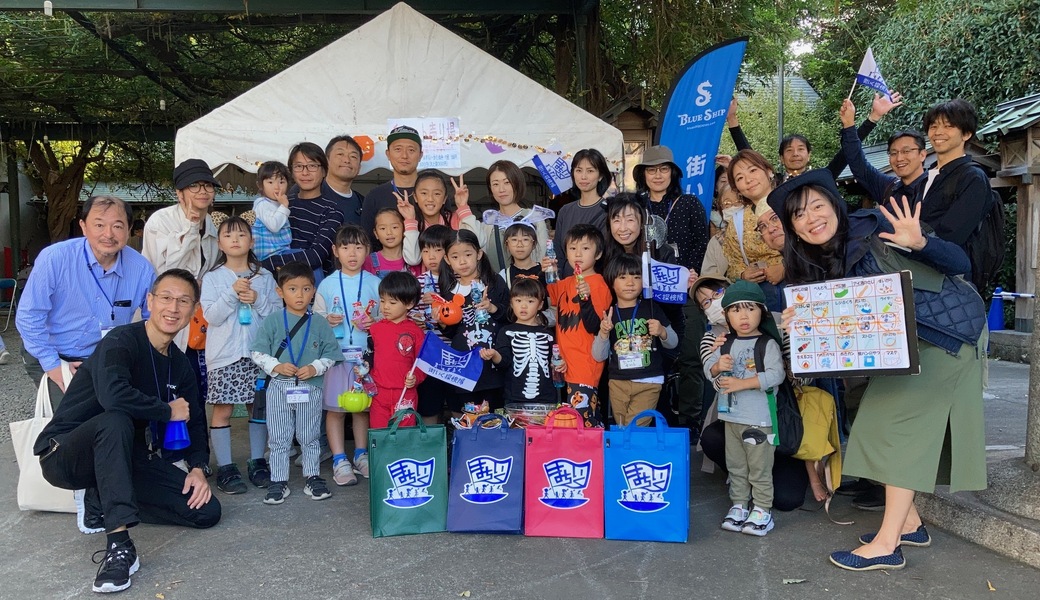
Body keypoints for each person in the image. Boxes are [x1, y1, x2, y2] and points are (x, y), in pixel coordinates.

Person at [770, 169, 986, 571]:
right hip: (904, 351)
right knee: (872, 422)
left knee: (895, 427)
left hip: (948, 336)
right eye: (799, 215)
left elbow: (959, 262)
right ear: (793, 228)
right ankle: (910, 523)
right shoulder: (818, 263)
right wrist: (802, 323)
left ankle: (887, 544)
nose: (811, 218)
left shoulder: (879, 226)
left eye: (817, 205)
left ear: (835, 205)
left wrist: (920, 242)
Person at [34, 269, 221, 594]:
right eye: (166, 298)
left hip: (121, 458)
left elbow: (194, 423)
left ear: (193, 311)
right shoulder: (120, 341)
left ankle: (100, 501)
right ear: (150, 302)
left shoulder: (180, 366)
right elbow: (113, 396)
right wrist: (166, 410)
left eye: (183, 301)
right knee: (115, 419)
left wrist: (197, 468)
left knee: (205, 511)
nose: (173, 308)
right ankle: (119, 545)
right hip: (65, 453)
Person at [18, 195, 155, 406]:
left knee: (117, 417)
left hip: (105, 357)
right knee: (69, 419)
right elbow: (29, 316)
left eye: (118, 226)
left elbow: (153, 320)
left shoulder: (142, 269)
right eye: (99, 225)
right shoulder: (55, 258)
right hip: (52, 351)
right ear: (83, 226)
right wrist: (54, 366)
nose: (108, 234)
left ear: (128, 230)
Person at [250, 262, 342, 505]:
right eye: (292, 289)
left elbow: (332, 354)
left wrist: (314, 367)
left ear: (314, 290)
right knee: (279, 436)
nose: (299, 295)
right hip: (279, 386)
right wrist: (276, 366)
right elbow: (257, 353)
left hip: (309, 385)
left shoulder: (320, 323)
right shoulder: (272, 321)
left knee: (309, 435)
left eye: (305, 289)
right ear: (280, 292)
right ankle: (278, 480)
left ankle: (312, 476)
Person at [201, 217, 281, 494]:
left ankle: (257, 461)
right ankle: (225, 467)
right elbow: (211, 315)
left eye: (241, 235)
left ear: (251, 241)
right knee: (222, 409)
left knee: (257, 408)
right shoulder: (212, 278)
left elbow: (275, 315)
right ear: (220, 243)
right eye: (228, 235)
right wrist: (232, 294)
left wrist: (257, 299)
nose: (235, 239)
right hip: (225, 355)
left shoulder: (265, 277)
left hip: (259, 356)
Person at [703, 280, 785, 537]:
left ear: (762, 312)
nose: (744, 316)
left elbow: (776, 375)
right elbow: (710, 372)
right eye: (736, 310)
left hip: (759, 419)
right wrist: (717, 367)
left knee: (759, 467)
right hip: (732, 418)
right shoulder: (725, 343)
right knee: (736, 465)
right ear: (726, 315)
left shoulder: (766, 344)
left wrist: (741, 383)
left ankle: (762, 509)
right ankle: (739, 505)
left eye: (750, 309)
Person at [314, 224, 382, 485]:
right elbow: (316, 319)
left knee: (362, 408)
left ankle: (361, 454)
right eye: (345, 247)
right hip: (337, 356)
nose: (352, 253)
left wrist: (372, 323)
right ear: (335, 251)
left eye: (358, 247)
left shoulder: (375, 283)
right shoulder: (327, 285)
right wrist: (326, 320)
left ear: (367, 250)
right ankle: (339, 458)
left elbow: (386, 316)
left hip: (365, 357)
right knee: (336, 409)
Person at [593, 253, 678, 426]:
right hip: (618, 382)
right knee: (623, 429)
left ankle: (635, 454)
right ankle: (634, 454)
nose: (630, 283)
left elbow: (673, 342)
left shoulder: (651, 308)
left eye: (636, 277)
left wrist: (662, 331)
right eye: (622, 277)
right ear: (611, 281)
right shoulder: (608, 313)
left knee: (635, 427)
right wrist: (603, 333)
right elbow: (598, 355)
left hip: (649, 380)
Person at [543, 223, 612, 424]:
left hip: (584, 364)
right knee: (566, 420)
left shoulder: (599, 285)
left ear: (598, 254)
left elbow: (595, 326)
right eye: (572, 249)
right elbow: (548, 296)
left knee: (583, 420)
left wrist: (586, 298)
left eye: (585, 248)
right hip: (561, 363)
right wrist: (547, 270)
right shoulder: (565, 282)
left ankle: (588, 455)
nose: (578, 254)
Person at [436, 229, 509, 414]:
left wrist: (493, 308)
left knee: (495, 416)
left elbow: (510, 316)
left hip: (492, 364)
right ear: (447, 259)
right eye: (455, 256)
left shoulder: (494, 282)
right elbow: (452, 332)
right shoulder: (449, 289)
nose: (462, 261)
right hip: (464, 364)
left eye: (468, 254)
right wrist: (442, 323)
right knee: (468, 416)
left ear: (479, 254)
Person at [261, 142, 345, 285]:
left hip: (311, 290)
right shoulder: (280, 205)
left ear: (324, 171)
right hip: (274, 288)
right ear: (292, 172)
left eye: (312, 166)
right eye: (299, 166)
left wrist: (265, 263)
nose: (305, 173)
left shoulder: (332, 211)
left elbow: (316, 256)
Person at [919, 99, 994, 248]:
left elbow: (952, 235)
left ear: (966, 134)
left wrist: (915, 240)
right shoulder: (924, 176)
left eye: (948, 126)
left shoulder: (973, 177)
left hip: (947, 266)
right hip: (913, 257)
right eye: (933, 126)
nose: (938, 132)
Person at [481, 278, 563, 405]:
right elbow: (504, 362)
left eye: (530, 301)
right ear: (511, 303)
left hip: (546, 399)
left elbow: (554, 362)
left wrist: (559, 364)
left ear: (540, 305)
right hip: (515, 398)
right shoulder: (506, 332)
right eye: (518, 301)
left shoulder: (548, 334)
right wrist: (494, 355)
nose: (523, 306)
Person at [839, 95, 927, 210]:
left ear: (922, 155)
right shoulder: (888, 188)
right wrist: (849, 124)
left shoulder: (937, 187)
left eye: (906, 151)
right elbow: (858, 164)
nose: (899, 158)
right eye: (893, 153)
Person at [723, 150, 784, 311]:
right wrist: (744, 274)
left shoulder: (793, 202)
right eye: (740, 178)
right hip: (761, 297)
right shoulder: (736, 221)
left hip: (801, 285)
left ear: (769, 171)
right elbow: (733, 262)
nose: (748, 180)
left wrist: (785, 266)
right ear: (737, 188)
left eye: (753, 170)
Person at [633, 145, 710, 272]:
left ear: (672, 173)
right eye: (651, 170)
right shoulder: (636, 206)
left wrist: (690, 271)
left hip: (683, 278)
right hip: (643, 277)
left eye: (664, 169)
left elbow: (701, 243)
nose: (658, 175)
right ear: (644, 174)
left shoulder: (689, 203)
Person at [465, 159, 550, 273]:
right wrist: (462, 207)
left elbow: (540, 258)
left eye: (507, 182)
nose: (501, 189)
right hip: (497, 289)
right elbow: (470, 248)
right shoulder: (489, 224)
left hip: (529, 287)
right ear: (491, 188)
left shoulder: (533, 218)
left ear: (517, 184)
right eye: (495, 184)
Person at [367, 271, 426, 428]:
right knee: (379, 433)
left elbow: (423, 363)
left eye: (392, 303)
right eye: (382, 301)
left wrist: (417, 378)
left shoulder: (416, 332)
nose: (385, 307)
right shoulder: (375, 329)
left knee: (404, 435)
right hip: (379, 392)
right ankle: (379, 454)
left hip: (405, 392)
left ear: (409, 303)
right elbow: (369, 357)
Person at [412, 225, 454, 425]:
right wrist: (419, 319)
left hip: (455, 355)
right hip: (428, 355)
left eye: (438, 250)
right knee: (429, 406)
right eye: (426, 250)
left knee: (457, 405)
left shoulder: (458, 282)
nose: (431, 256)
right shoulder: (418, 283)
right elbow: (411, 314)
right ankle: (432, 446)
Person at [361, 125, 425, 244]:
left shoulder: (433, 193)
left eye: (411, 150)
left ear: (420, 155)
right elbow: (367, 241)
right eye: (398, 149)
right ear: (388, 154)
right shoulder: (375, 196)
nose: (404, 156)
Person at [553, 148, 612, 276]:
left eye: (590, 171)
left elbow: (607, 255)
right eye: (579, 170)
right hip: (567, 283)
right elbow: (558, 253)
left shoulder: (608, 211)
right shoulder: (565, 211)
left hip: (596, 284)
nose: (583, 176)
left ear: (601, 175)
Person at [399, 170, 474, 266]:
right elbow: (413, 260)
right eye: (424, 193)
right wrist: (410, 221)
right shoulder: (412, 225)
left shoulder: (456, 219)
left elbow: (478, 244)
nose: (430, 199)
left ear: (444, 199)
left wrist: (464, 208)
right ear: (415, 197)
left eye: (437, 194)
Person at [251, 160, 294, 261]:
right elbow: (274, 226)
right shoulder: (262, 204)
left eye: (282, 182)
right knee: (307, 260)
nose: (277, 187)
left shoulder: (278, 203)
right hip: (269, 255)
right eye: (270, 182)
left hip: (279, 252)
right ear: (260, 185)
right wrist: (284, 206)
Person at [365, 207, 420, 278]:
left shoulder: (415, 259)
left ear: (404, 229)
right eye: (383, 228)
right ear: (376, 233)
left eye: (394, 227)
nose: (389, 232)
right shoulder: (369, 262)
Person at [324, 135, 366, 225]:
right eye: (340, 154)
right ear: (326, 161)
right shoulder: (309, 194)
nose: (347, 160)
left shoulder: (363, 203)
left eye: (353, 156)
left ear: (359, 167)